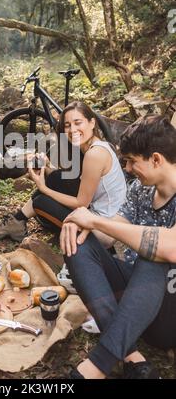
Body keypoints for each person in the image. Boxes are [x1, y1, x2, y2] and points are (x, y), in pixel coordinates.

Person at [60, 115, 176, 379]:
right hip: (139, 302)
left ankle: (97, 366)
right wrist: (84, 225)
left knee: (153, 252)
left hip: (171, 313)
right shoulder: (140, 190)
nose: (127, 167)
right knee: (78, 243)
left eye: (133, 161)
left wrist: (96, 220)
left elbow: (171, 248)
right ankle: (132, 357)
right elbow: (111, 233)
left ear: (156, 159)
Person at [0, 101, 126, 242]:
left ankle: (17, 222)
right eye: (67, 125)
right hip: (102, 215)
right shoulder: (97, 146)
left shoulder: (94, 154)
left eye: (78, 123)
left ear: (92, 123)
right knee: (55, 177)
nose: (72, 130)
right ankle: (17, 221)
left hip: (103, 229)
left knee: (40, 201)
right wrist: (47, 167)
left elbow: (80, 203)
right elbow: (74, 183)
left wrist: (43, 188)